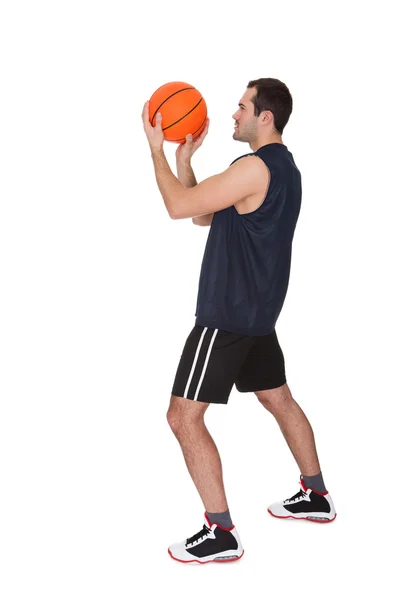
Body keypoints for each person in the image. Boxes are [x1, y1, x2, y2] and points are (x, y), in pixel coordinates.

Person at [142, 77, 336, 565]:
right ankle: (315, 495)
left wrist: (155, 149)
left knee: (182, 417)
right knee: (277, 397)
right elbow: (204, 215)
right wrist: (185, 162)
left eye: (242, 106)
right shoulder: (283, 169)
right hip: (257, 314)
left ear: (264, 116)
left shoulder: (253, 167)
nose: (233, 114)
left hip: (226, 316)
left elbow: (177, 207)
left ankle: (220, 531)